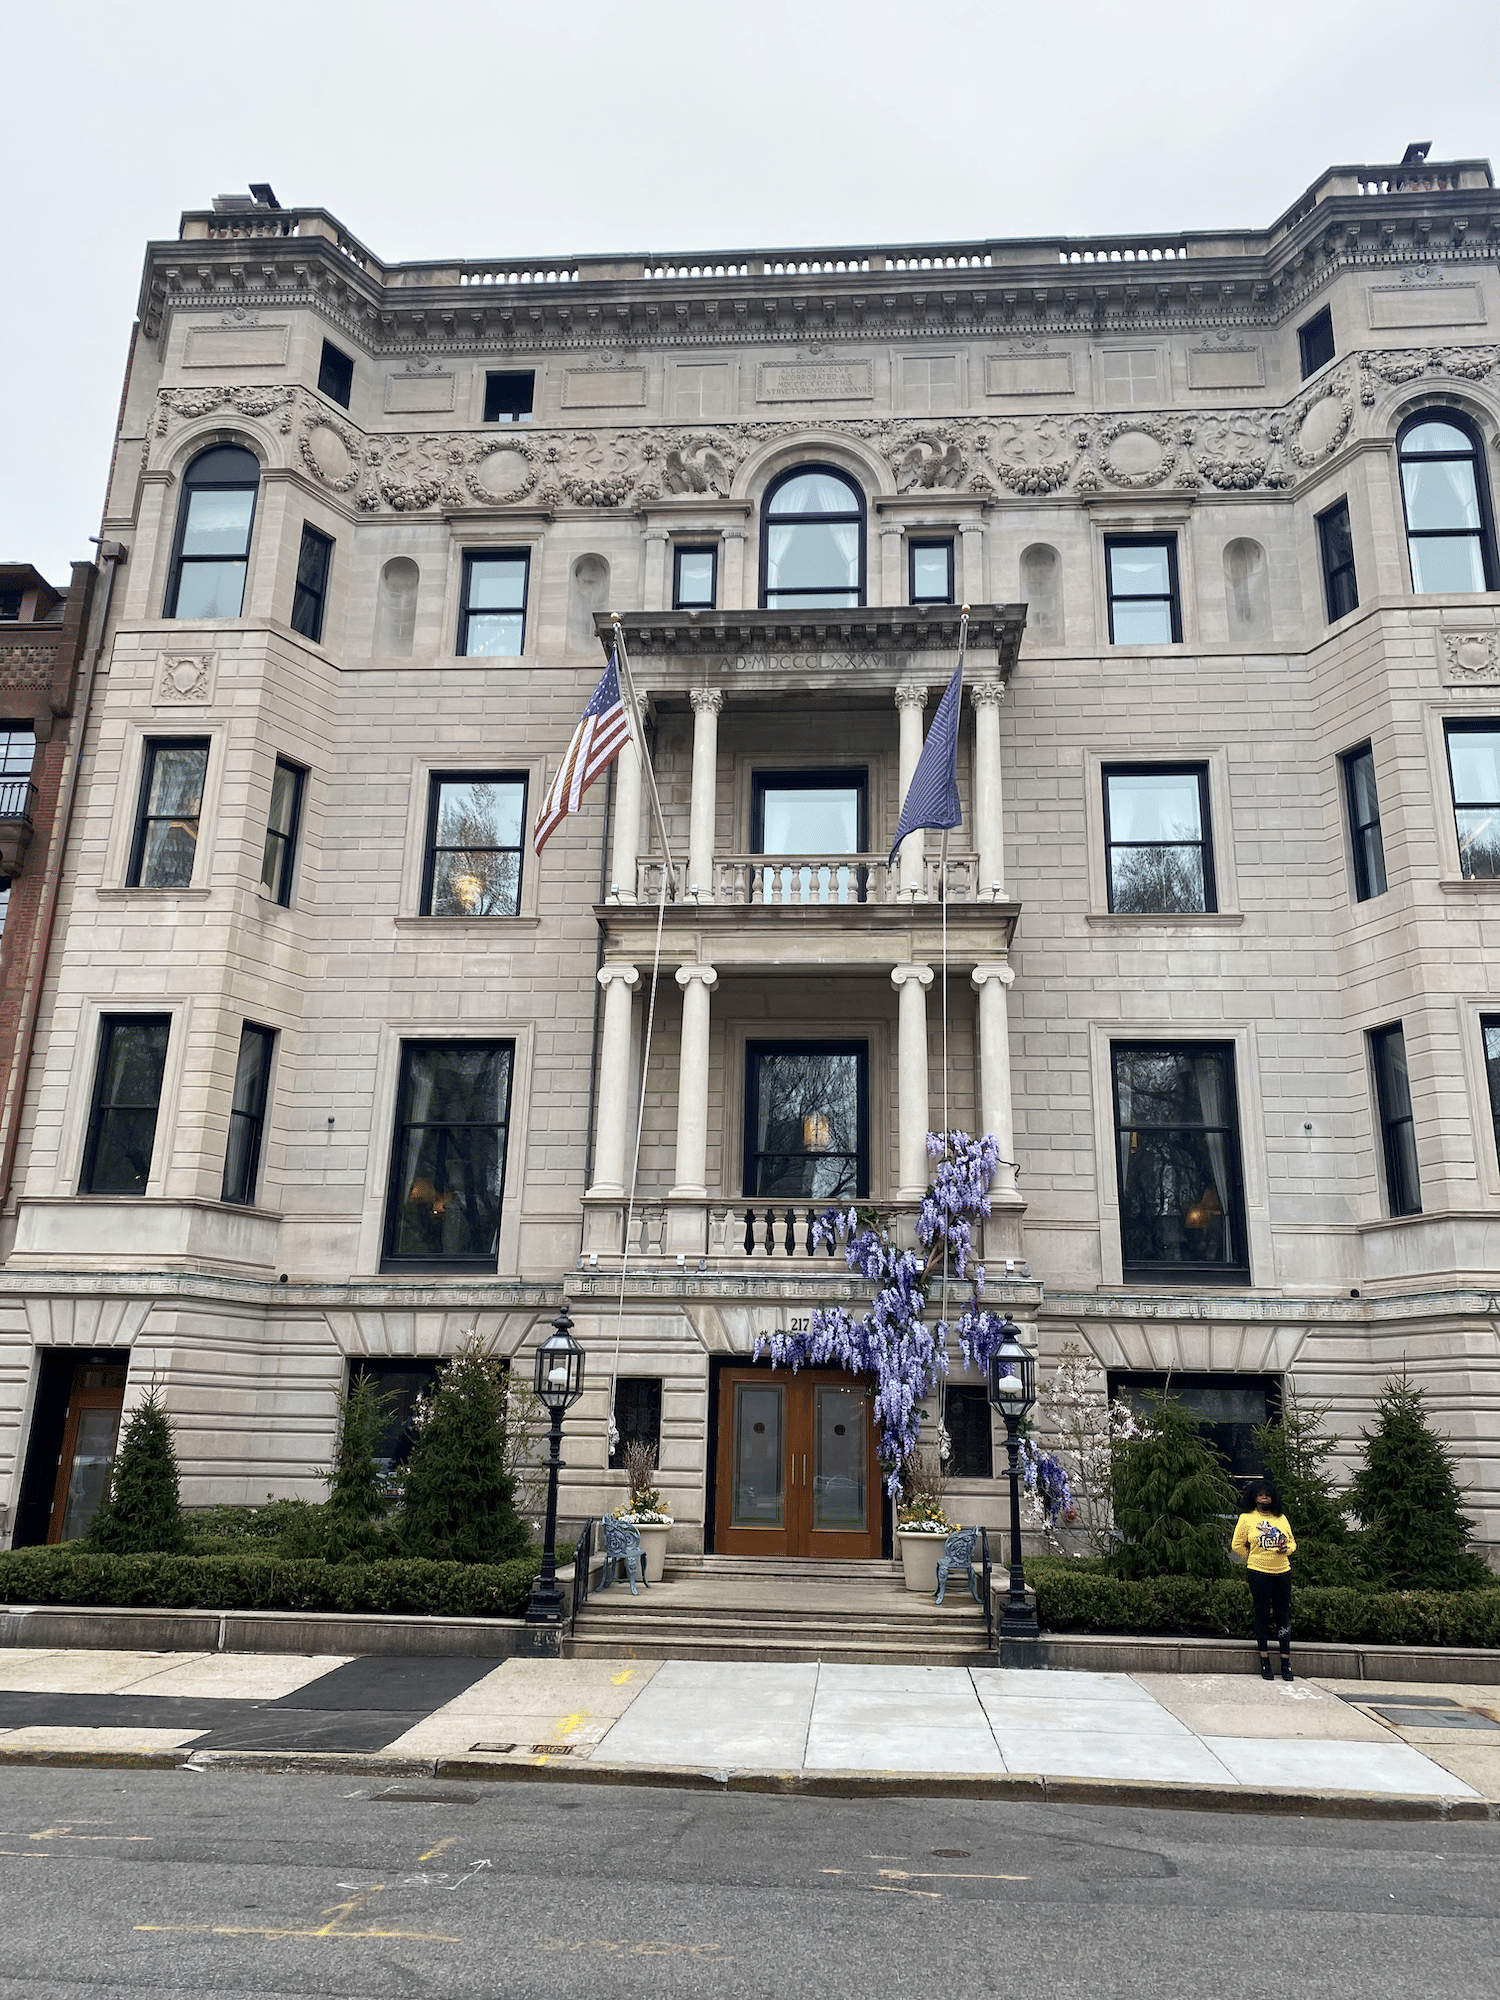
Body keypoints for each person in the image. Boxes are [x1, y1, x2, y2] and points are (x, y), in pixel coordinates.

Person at [1233, 1476, 1297, 1681]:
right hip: (1258, 1571)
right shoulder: (1246, 1518)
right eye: (1260, 1495)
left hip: (1282, 1571)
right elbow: (1236, 1545)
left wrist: (1287, 1549)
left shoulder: (1281, 1518)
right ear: (1254, 1498)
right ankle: (1264, 1660)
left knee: (1282, 1615)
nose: (1264, 1499)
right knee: (1262, 1614)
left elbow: (1293, 1543)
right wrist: (1251, 1557)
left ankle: (1286, 1662)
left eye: (1268, 1496)